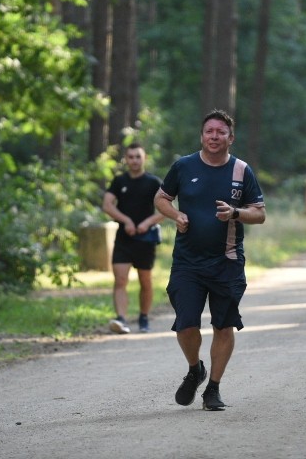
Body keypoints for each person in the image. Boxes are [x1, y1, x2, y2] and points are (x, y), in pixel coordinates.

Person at [154, 109, 266, 411]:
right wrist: (176, 214)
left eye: (220, 132)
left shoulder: (242, 171)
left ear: (231, 137)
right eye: (209, 131)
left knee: (223, 325)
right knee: (185, 324)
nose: (214, 136)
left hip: (226, 261)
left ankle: (213, 388)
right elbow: (161, 198)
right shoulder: (183, 166)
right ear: (202, 135)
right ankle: (195, 370)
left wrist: (235, 213)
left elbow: (260, 213)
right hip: (187, 262)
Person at [102, 142, 164, 334]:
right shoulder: (119, 181)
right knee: (120, 280)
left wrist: (147, 223)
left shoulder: (154, 182)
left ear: (144, 158)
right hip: (124, 238)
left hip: (146, 239)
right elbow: (107, 205)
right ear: (126, 159)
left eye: (138, 156)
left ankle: (143, 317)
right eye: (130, 157)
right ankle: (121, 319)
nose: (134, 160)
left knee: (145, 280)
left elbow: (166, 209)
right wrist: (126, 220)